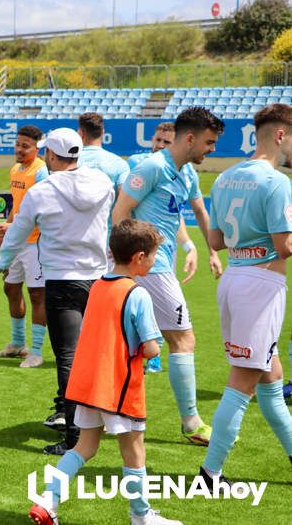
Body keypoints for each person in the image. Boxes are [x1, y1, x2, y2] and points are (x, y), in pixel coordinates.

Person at [28, 219, 181, 525]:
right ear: (139, 258)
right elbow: (151, 347)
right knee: (134, 449)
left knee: (84, 446)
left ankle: (48, 498)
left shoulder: (98, 284)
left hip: (87, 383)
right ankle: (141, 516)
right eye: (153, 256)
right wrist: (153, 352)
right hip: (118, 385)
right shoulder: (137, 294)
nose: (154, 261)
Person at [0, 128, 113, 455]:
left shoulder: (42, 191)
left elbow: (18, 232)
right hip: (99, 279)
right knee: (99, 351)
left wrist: (3, 262)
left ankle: (74, 435)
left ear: (52, 156)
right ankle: (104, 419)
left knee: (69, 356)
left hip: (62, 279)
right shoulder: (102, 183)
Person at [113, 106, 225, 446]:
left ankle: (108, 413)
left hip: (160, 265)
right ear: (189, 138)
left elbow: (198, 211)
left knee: (132, 345)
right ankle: (191, 421)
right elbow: (120, 212)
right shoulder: (152, 167)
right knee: (182, 339)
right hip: (152, 269)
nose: (212, 149)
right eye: (208, 142)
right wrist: (135, 261)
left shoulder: (187, 172)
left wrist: (208, 249)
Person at [198, 104, 292, 487]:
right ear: (281, 135)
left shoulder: (225, 177)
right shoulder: (277, 182)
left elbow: (216, 240)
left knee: (271, 382)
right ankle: (210, 472)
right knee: (243, 381)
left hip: (235, 277)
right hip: (262, 284)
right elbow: (284, 246)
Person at [0, 125, 48, 368]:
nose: (20, 150)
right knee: (10, 288)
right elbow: (16, 206)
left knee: (37, 294)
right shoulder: (15, 170)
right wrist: (5, 232)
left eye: (26, 146)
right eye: (18, 144)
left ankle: (35, 351)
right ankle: (17, 343)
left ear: (36, 148)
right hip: (17, 240)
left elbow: (43, 211)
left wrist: (13, 230)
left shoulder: (42, 172)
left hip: (36, 242)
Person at [126, 121, 176, 373]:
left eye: (166, 142)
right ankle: (141, 354)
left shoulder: (180, 172)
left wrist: (189, 244)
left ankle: (153, 356)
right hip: (137, 251)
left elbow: (176, 213)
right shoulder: (138, 163)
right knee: (134, 304)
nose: (159, 145)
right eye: (157, 140)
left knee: (155, 308)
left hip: (165, 252)